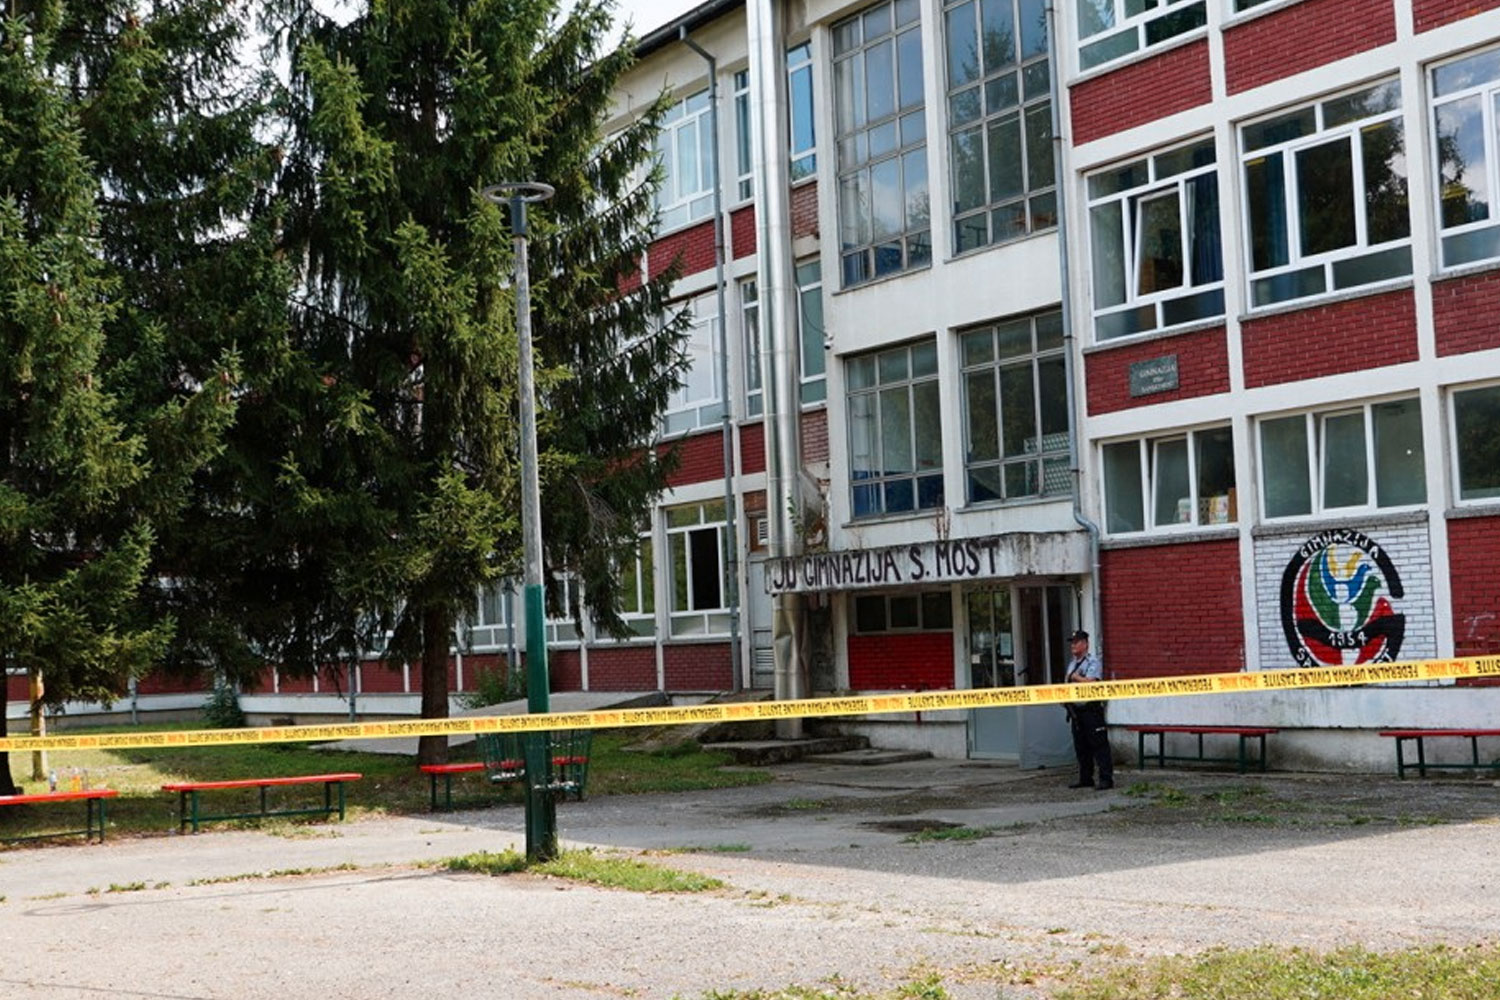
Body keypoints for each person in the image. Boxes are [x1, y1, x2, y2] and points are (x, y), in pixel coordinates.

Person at [1064, 629, 1113, 790]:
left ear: (1085, 644)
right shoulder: (1072, 663)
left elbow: (1091, 683)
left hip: (1091, 710)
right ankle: (1085, 778)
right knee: (1081, 746)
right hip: (1076, 711)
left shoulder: (1093, 662)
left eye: (1076, 642)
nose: (1073, 645)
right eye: (1072, 642)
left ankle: (1106, 779)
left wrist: (1076, 678)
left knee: (1099, 746)